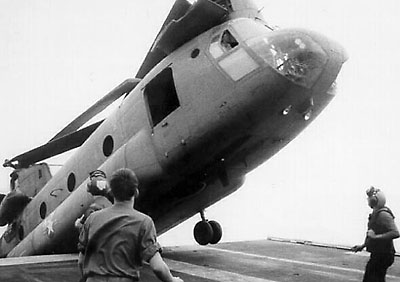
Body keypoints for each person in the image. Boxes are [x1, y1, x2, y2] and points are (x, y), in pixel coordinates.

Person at [78, 168, 183, 282]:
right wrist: (173, 280)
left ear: (111, 192)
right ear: (136, 192)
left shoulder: (92, 219)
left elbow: (81, 261)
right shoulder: (144, 222)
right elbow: (158, 267)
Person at [352, 186, 399, 282]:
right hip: (379, 253)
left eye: (369, 198)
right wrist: (362, 246)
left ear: (374, 200)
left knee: (371, 278)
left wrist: (375, 237)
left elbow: (395, 233)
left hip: (383, 255)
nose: (368, 200)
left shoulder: (383, 214)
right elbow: (371, 233)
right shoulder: (375, 213)